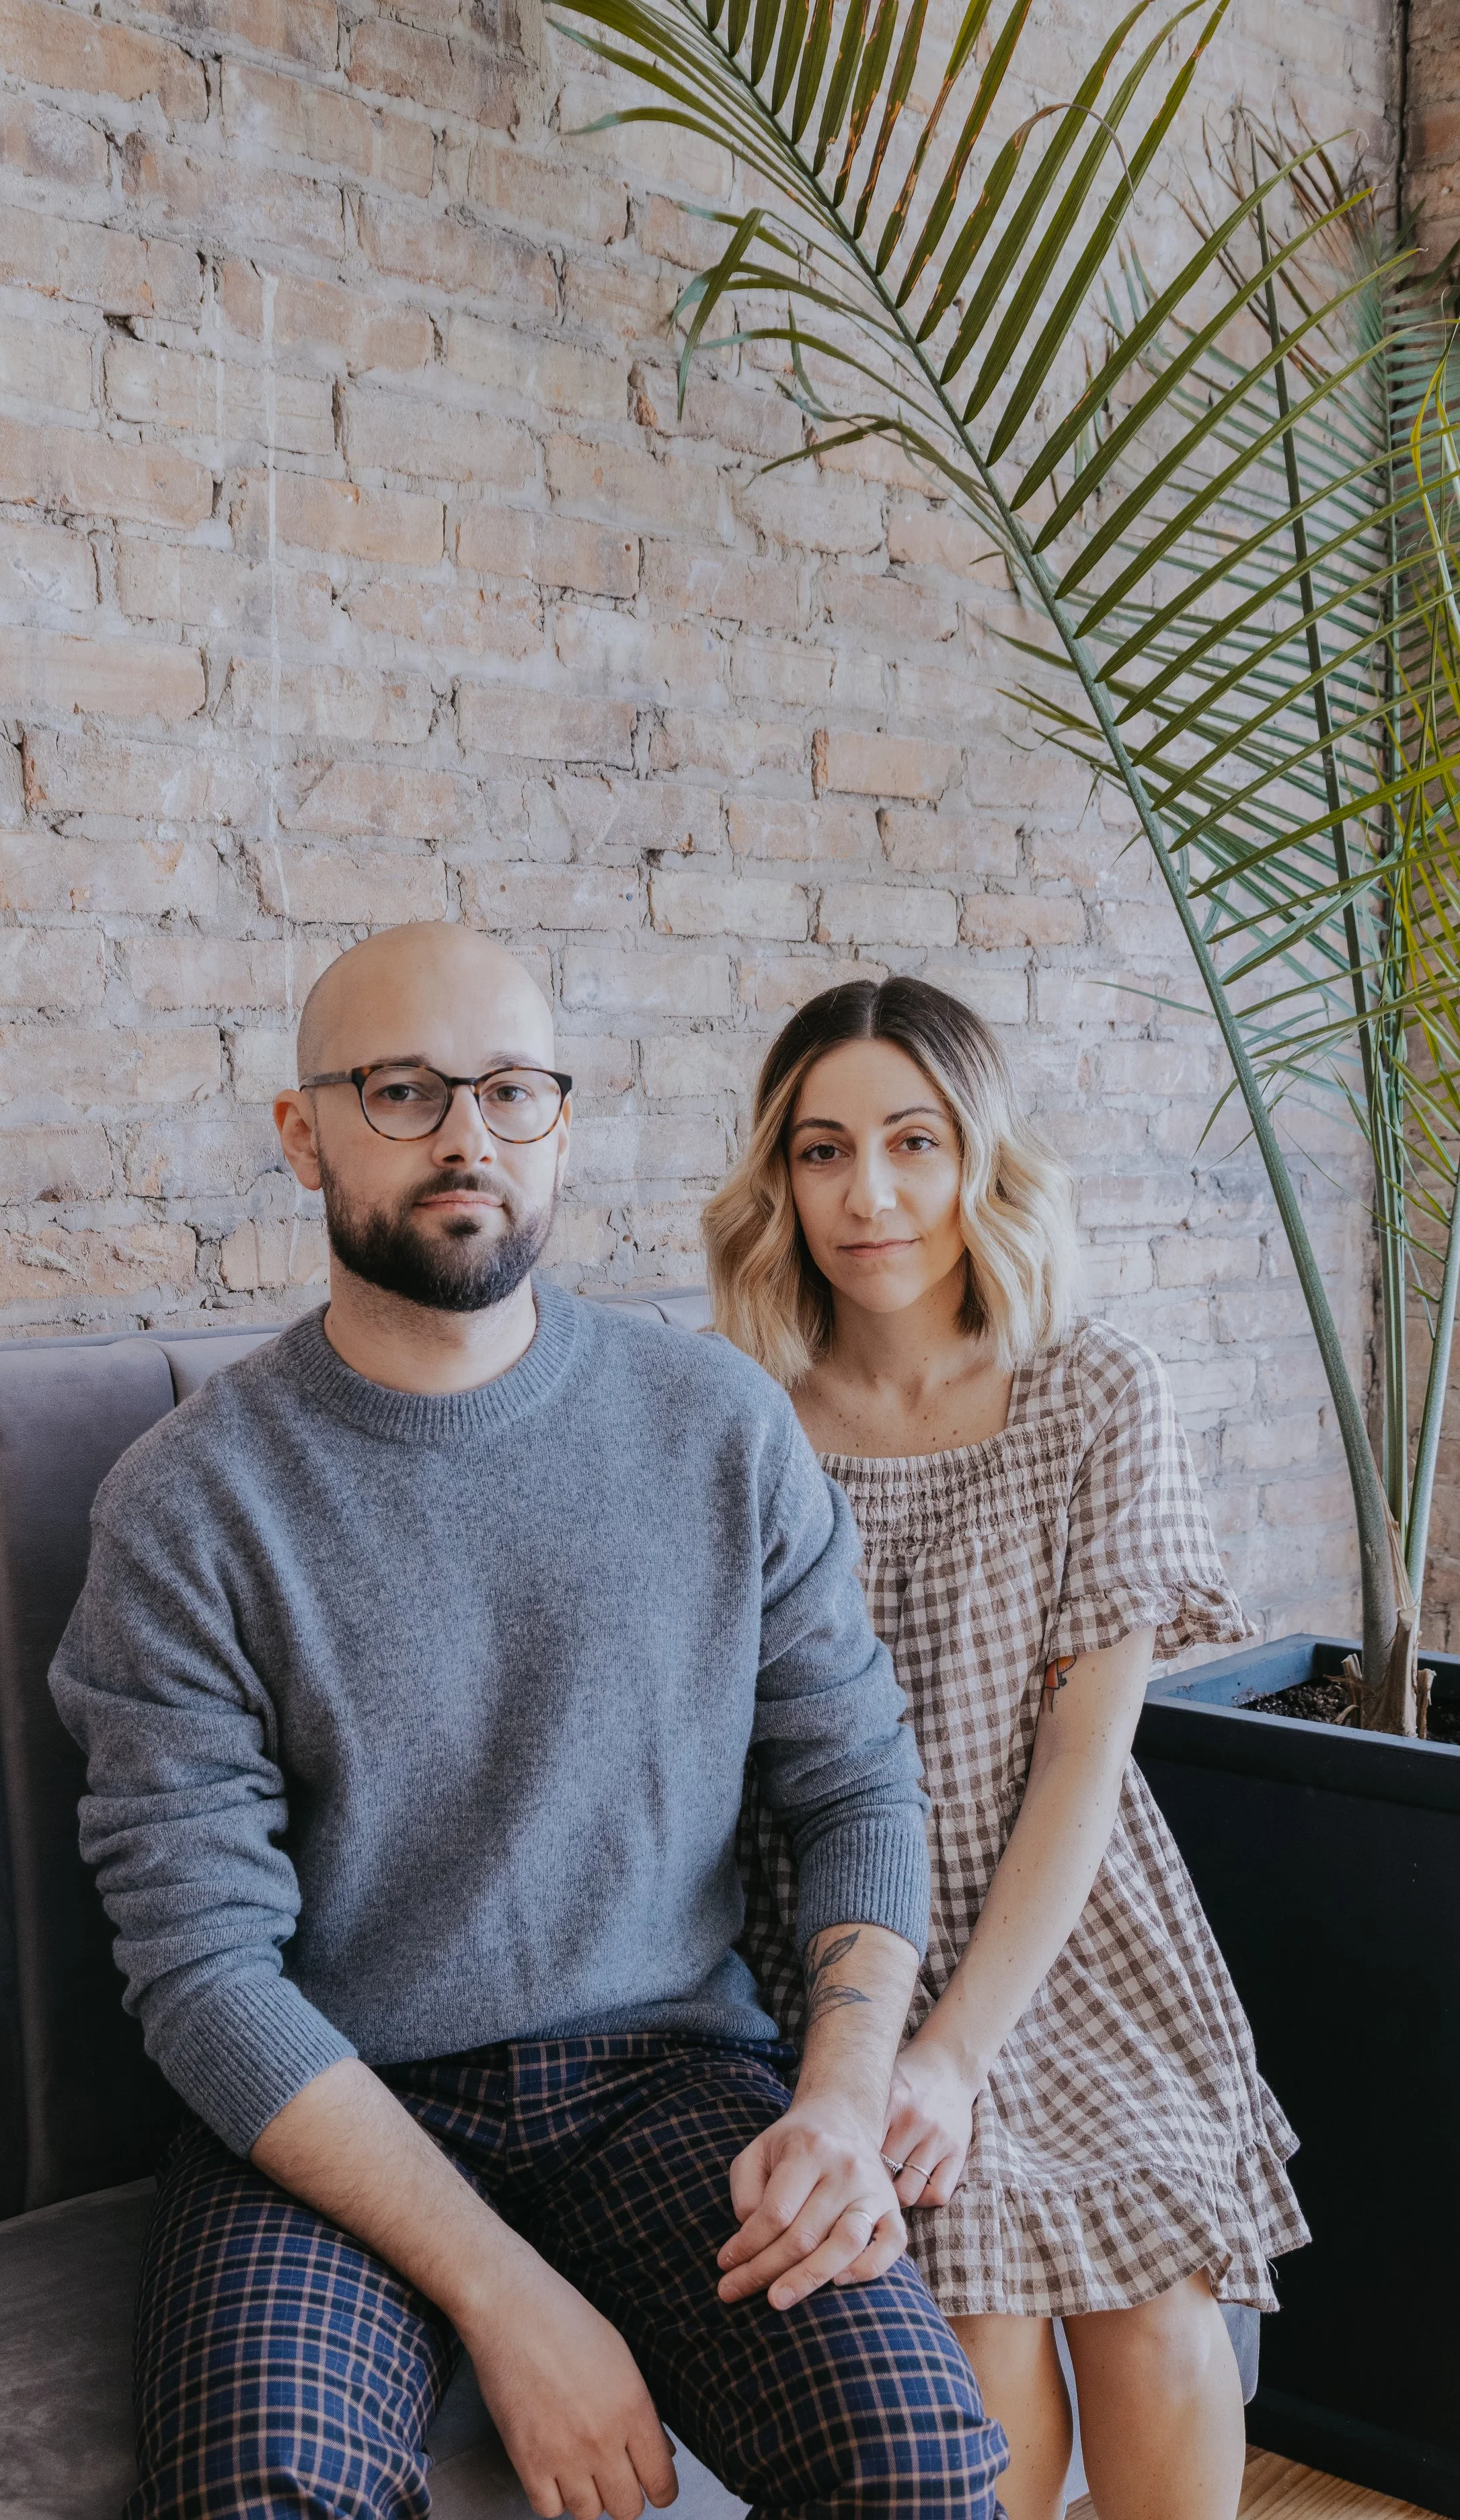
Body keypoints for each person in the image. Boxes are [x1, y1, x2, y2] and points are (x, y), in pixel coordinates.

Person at [50, 923, 1009, 2520]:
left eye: (509, 1091)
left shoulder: (718, 1425)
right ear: (303, 1132)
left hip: (664, 2076)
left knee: (914, 2462)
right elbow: (203, 1970)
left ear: (561, 1121)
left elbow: (854, 1784)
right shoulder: (187, 1505)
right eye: (402, 1090)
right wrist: (512, 2298)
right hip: (337, 2093)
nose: (466, 1138)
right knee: (256, 2490)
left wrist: (840, 2097)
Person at [704, 976, 1309, 2520]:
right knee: (972, 2313)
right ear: (779, 1176)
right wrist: (888, 2056)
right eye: (823, 1150)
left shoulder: (1091, 1388)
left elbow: (1081, 1761)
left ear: (980, 1155)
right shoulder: (741, 1415)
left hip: (1070, 1927)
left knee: (1151, 2303)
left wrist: (955, 2057)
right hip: (842, 1940)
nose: (869, 1193)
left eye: (913, 1140)